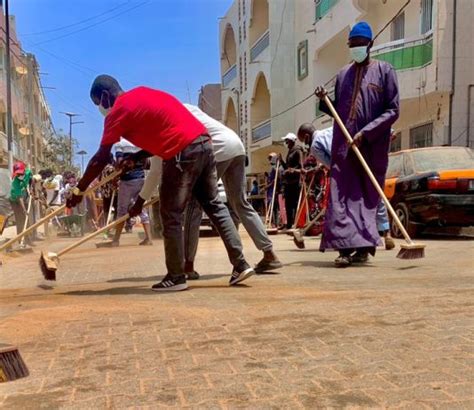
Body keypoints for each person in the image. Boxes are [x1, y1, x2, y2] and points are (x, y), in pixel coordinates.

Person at [66, 75, 254, 291]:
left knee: (171, 214)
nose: (100, 108)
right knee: (215, 207)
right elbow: (165, 129)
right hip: (204, 144)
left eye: (98, 102)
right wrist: (136, 157)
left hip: (182, 152)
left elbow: (100, 157)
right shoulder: (143, 93)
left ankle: (176, 276)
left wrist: (79, 189)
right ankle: (240, 264)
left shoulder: (117, 111)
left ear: (106, 96)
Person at [314, 21, 399, 267]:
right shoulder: (343, 75)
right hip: (344, 148)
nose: (355, 48)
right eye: (352, 44)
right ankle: (343, 249)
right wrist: (324, 99)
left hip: (371, 149)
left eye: (360, 44)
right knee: (341, 198)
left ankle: (362, 249)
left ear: (370, 45)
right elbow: (337, 111)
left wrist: (366, 132)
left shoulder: (385, 71)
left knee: (365, 199)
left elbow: (393, 110)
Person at [180, 104, 282, 278]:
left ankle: (187, 265)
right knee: (240, 203)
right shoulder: (188, 108)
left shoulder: (173, 114)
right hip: (236, 144)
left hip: (218, 147)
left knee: (194, 204)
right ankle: (269, 253)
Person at [297, 123, 395, 250]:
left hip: (348, 171)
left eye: (303, 141)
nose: (305, 144)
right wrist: (388, 132)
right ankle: (387, 234)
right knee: (376, 195)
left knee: (349, 206)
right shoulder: (332, 129)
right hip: (364, 160)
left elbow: (332, 165)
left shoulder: (315, 145)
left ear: (306, 137)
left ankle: (356, 240)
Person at [106, 138, 153, 246]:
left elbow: (119, 162)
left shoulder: (119, 143)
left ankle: (116, 240)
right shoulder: (139, 141)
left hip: (127, 181)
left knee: (122, 210)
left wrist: (115, 177)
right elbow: (146, 162)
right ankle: (149, 238)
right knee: (142, 208)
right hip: (141, 179)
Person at [278, 133, 303, 230]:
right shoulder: (289, 152)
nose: (286, 143)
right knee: (288, 204)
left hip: (295, 182)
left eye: (287, 141)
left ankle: (296, 224)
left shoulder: (298, 151)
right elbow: (287, 168)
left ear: (292, 141)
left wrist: (292, 170)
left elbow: (301, 167)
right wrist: (282, 162)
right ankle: (289, 224)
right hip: (288, 182)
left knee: (295, 204)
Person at [8, 162, 33, 244]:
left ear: (24, 171)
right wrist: (24, 209)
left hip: (22, 196)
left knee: (26, 219)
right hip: (14, 200)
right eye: (17, 174)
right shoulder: (15, 182)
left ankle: (28, 239)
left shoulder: (28, 172)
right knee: (19, 220)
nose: (19, 176)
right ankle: (20, 240)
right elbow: (20, 198)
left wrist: (31, 189)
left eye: (20, 173)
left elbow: (31, 179)